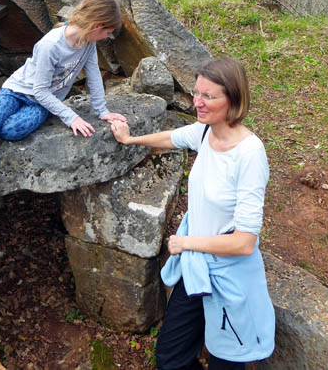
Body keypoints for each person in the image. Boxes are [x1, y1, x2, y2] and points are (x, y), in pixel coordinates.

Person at [109, 58, 275, 369]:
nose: (197, 102)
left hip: (229, 274)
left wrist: (186, 243)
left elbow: (244, 243)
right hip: (199, 268)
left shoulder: (250, 156)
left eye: (209, 96)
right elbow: (171, 137)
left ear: (234, 99)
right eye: (196, 93)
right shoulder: (204, 133)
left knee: (226, 362)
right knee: (170, 358)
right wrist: (130, 139)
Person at [0, 0, 128, 226]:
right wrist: (71, 117)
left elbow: (94, 75)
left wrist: (102, 110)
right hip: (17, 90)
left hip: (41, 102)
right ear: (97, 25)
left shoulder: (87, 44)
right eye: (108, 31)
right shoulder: (50, 45)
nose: (107, 36)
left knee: (13, 131)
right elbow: (40, 89)